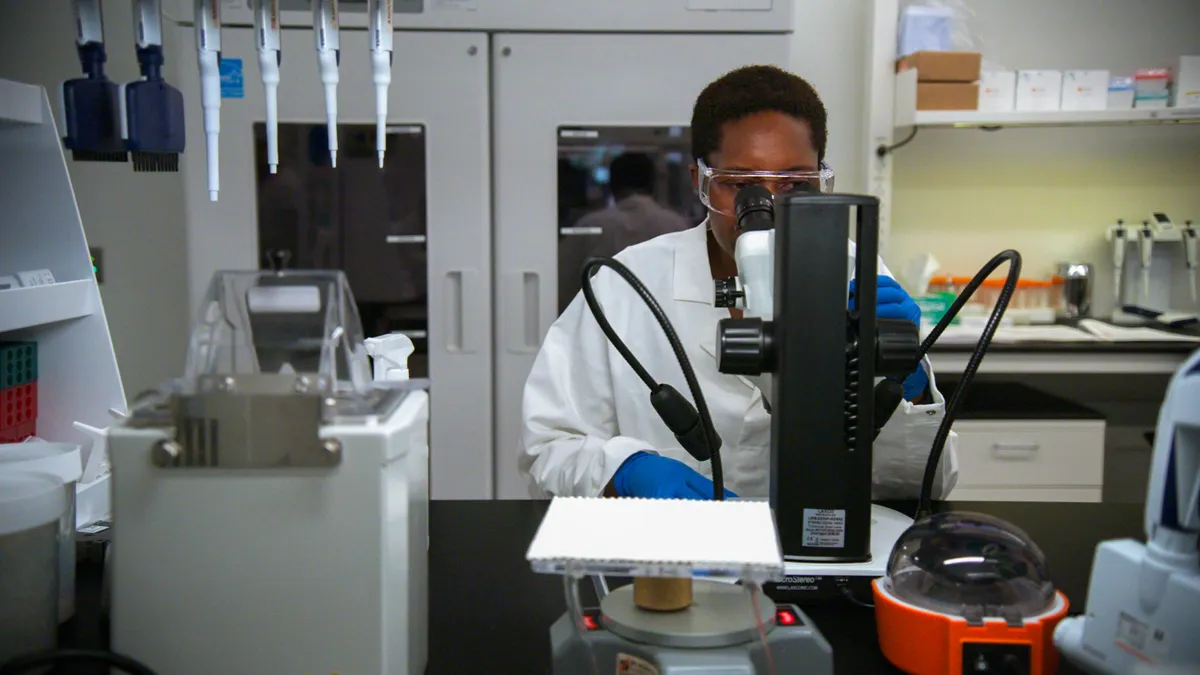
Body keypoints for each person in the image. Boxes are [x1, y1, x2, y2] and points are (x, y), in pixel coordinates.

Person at [520, 65, 958, 501]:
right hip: (673, 555)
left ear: (821, 179)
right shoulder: (627, 286)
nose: (766, 208)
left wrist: (909, 391)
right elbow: (549, 449)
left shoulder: (857, 272)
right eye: (741, 185)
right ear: (701, 182)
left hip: (817, 545)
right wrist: (622, 471)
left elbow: (928, 484)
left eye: (794, 183)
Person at [558, 153, 693, 311]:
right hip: (666, 327)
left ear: (612, 186)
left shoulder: (590, 225)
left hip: (601, 326)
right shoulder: (676, 225)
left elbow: (564, 288)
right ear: (653, 184)